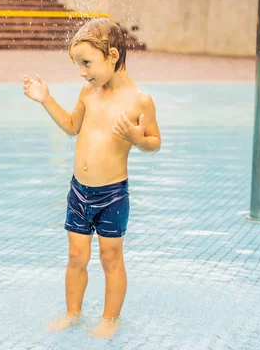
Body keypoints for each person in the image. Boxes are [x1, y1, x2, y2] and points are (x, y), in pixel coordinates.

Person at [23, 18, 161, 338]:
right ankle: (73, 312)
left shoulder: (139, 100)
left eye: (86, 63)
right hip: (78, 191)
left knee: (110, 258)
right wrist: (45, 99)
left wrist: (138, 139)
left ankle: (109, 319)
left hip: (112, 193)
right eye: (79, 65)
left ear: (112, 56)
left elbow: (154, 142)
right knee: (76, 255)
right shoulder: (89, 92)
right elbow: (72, 126)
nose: (83, 72)